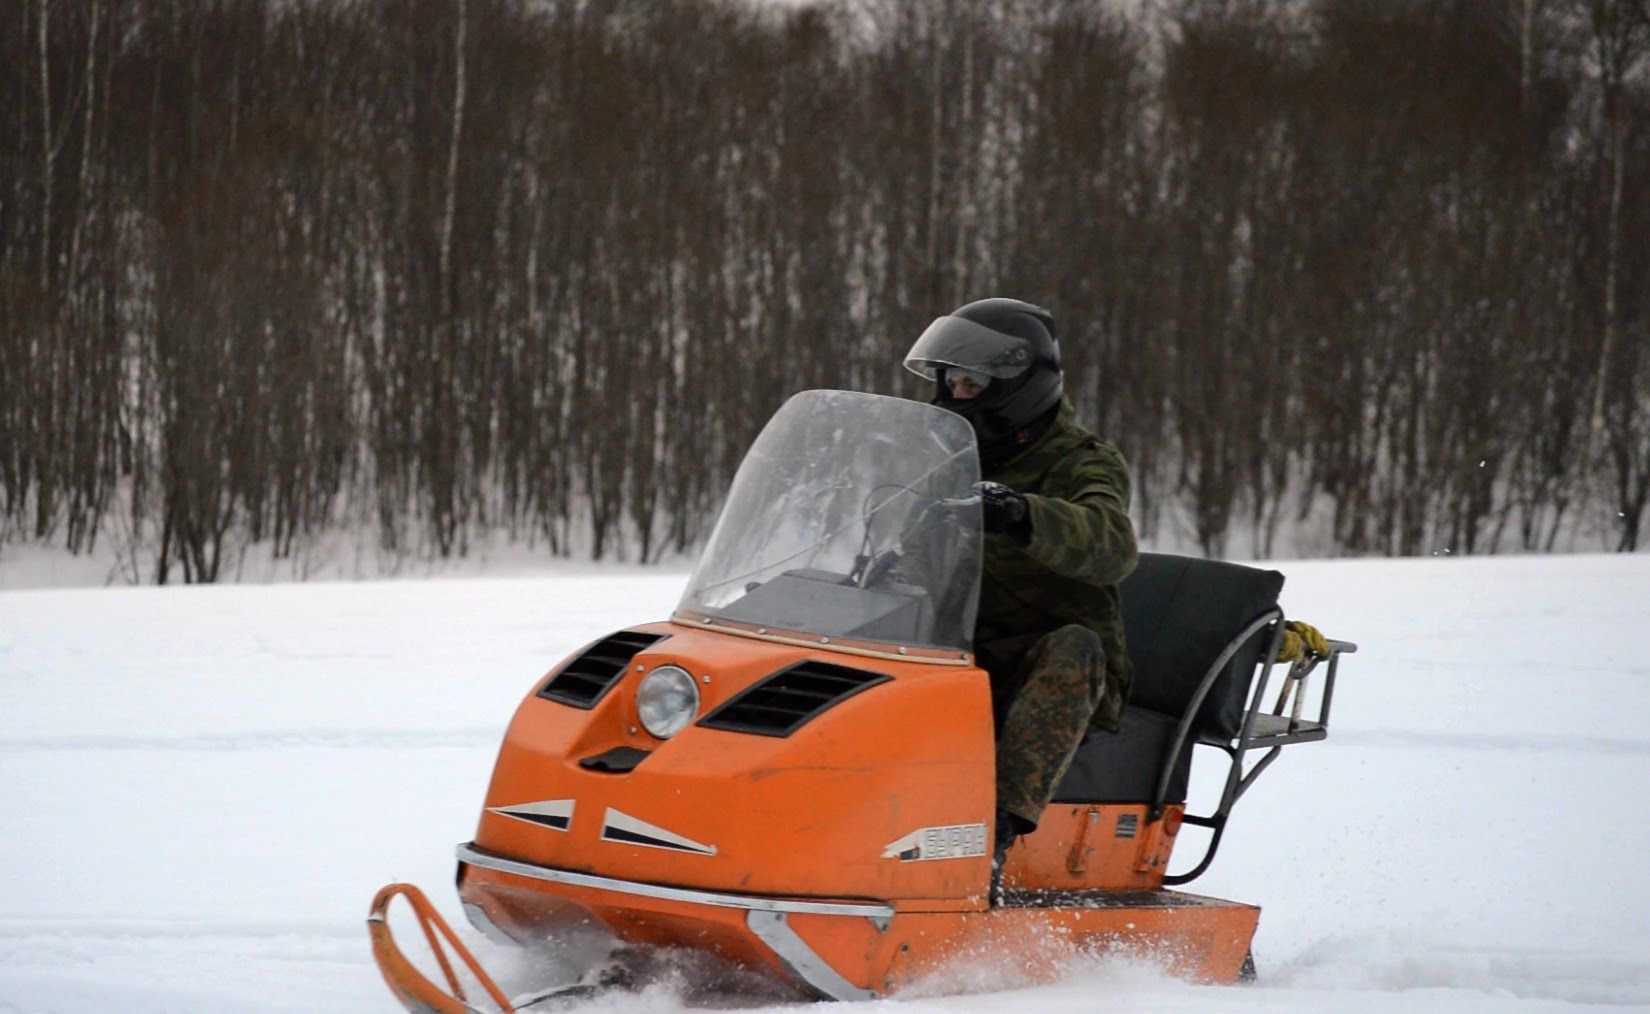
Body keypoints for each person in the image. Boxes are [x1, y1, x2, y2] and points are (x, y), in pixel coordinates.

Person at [902, 297, 1138, 899]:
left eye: (970, 382)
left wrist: (1023, 513)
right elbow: (902, 540)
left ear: (1014, 387)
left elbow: (1112, 543)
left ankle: (991, 844)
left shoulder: (1083, 462)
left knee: (1075, 646)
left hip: (1049, 670)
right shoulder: (951, 463)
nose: (956, 395)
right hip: (963, 655)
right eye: (950, 382)